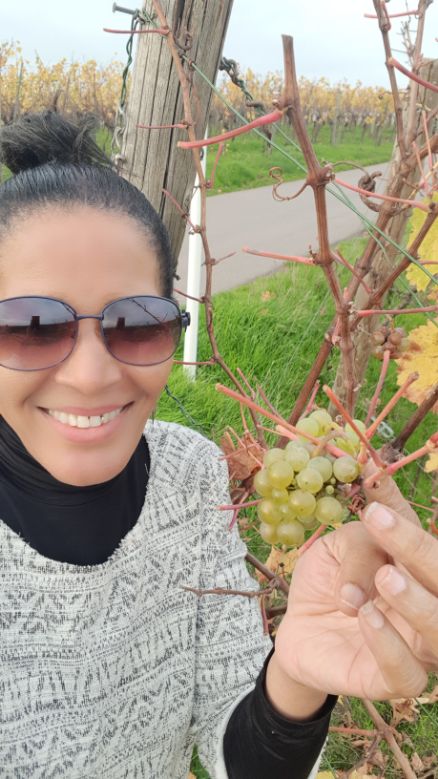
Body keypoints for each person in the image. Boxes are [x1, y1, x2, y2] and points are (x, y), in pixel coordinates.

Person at [0, 111, 436, 779]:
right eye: (32, 325)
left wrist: (292, 674)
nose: (90, 375)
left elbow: (238, 753)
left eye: (136, 323)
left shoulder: (188, 471)